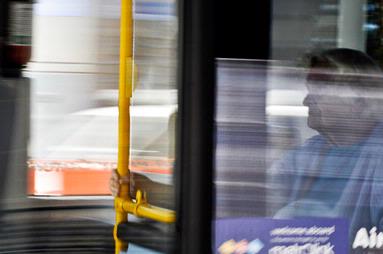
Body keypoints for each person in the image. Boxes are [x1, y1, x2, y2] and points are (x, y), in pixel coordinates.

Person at [267, 48, 383, 242]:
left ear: (360, 99)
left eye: (318, 92)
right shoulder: (306, 154)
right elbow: (262, 198)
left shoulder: (378, 157)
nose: (306, 101)